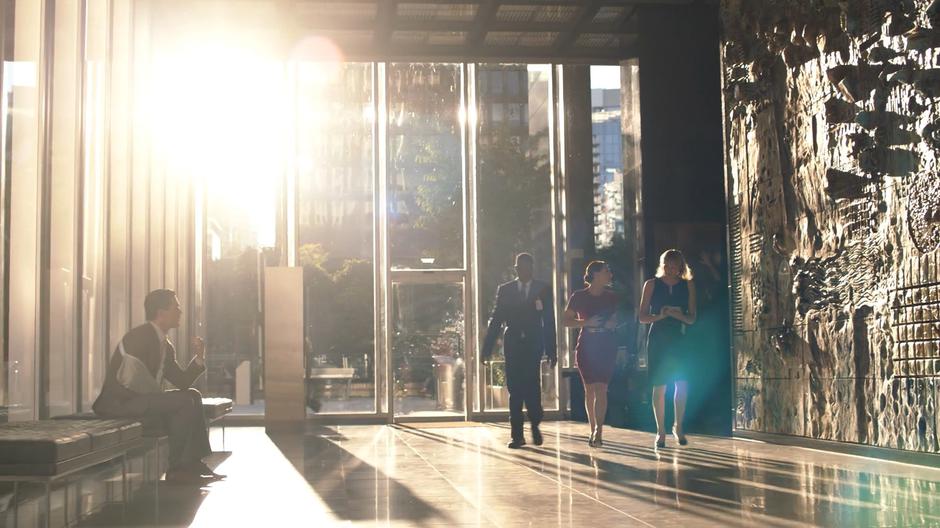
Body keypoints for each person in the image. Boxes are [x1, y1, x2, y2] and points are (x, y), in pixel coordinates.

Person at [93, 289, 222, 482]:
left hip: (140, 399)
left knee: (193, 395)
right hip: (120, 402)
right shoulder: (139, 337)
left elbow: (183, 381)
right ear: (161, 313)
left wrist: (199, 358)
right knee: (183, 401)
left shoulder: (165, 345)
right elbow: (128, 381)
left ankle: (194, 462)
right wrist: (158, 400)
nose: (180, 312)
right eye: (176, 308)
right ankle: (177, 467)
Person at [482, 253, 557, 449]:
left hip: (533, 342)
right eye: (519, 267)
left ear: (532, 268)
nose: (523, 271)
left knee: (533, 385)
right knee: (514, 389)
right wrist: (487, 349)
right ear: (515, 269)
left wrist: (551, 349)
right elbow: (497, 320)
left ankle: (535, 423)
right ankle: (517, 435)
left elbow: (549, 320)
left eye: (527, 267)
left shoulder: (543, 289)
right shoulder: (505, 290)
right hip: (513, 342)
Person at [639, 249, 696, 448]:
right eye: (668, 266)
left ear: (681, 267)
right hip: (657, 338)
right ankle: (660, 431)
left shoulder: (687, 285)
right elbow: (642, 317)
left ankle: (678, 426)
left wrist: (676, 314)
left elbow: (692, 318)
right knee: (659, 385)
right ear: (662, 265)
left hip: (679, 339)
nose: (671, 270)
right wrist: (661, 316)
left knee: (682, 383)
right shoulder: (651, 285)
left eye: (675, 267)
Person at [563, 261, 619, 447]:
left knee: (602, 388)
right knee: (590, 389)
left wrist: (612, 324)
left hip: (606, 345)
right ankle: (592, 427)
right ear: (595, 275)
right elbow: (566, 321)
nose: (609, 273)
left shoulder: (612, 297)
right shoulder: (578, 296)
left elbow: (614, 319)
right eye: (606, 271)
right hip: (587, 345)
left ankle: (598, 432)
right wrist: (586, 323)